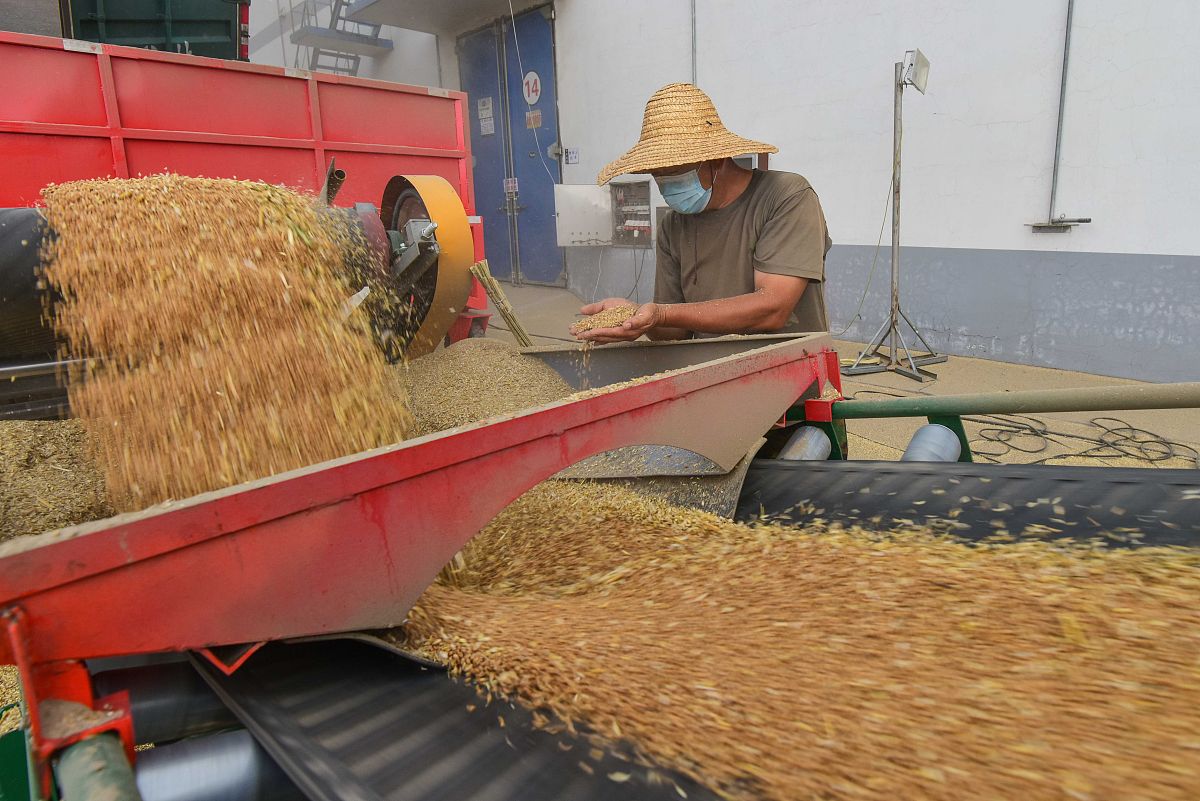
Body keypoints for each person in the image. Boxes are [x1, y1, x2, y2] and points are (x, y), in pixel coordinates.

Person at [575, 83, 831, 344]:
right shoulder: (673, 226)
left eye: (674, 171)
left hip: (789, 369)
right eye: (658, 174)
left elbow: (772, 309)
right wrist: (635, 318)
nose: (665, 183)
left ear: (716, 160)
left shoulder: (785, 196)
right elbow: (674, 333)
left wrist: (661, 314)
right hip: (709, 370)